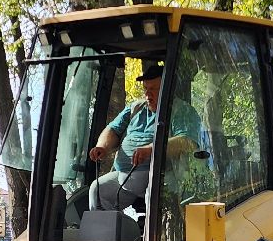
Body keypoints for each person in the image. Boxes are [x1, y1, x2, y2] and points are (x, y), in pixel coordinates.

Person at [86, 61, 201, 211]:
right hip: (124, 176)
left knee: (153, 196)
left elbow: (187, 142)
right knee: (98, 189)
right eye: (146, 88)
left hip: (162, 177)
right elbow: (113, 129)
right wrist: (102, 146)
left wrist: (150, 150)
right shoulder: (136, 108)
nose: (147, 94)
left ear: (169, 89)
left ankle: (153, 234)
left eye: (153, 89)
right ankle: (105, 234)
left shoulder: (182, 111)